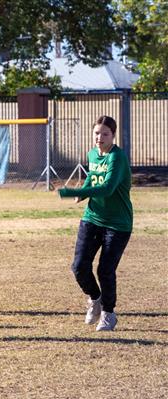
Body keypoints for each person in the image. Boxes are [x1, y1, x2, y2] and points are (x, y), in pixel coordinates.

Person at [58, 115, 132, 331]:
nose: (100, 137)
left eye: (105, 134)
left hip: (117, 223)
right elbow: (92, 176)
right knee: (79, 266)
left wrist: (76, 191)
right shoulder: (92, 154)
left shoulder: (117, 158)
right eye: (97, 133)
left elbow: (108, 188)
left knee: (105, 270)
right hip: (92, 218)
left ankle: (109, 314)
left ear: (113, 136)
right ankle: (95, 298)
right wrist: (82, 194)